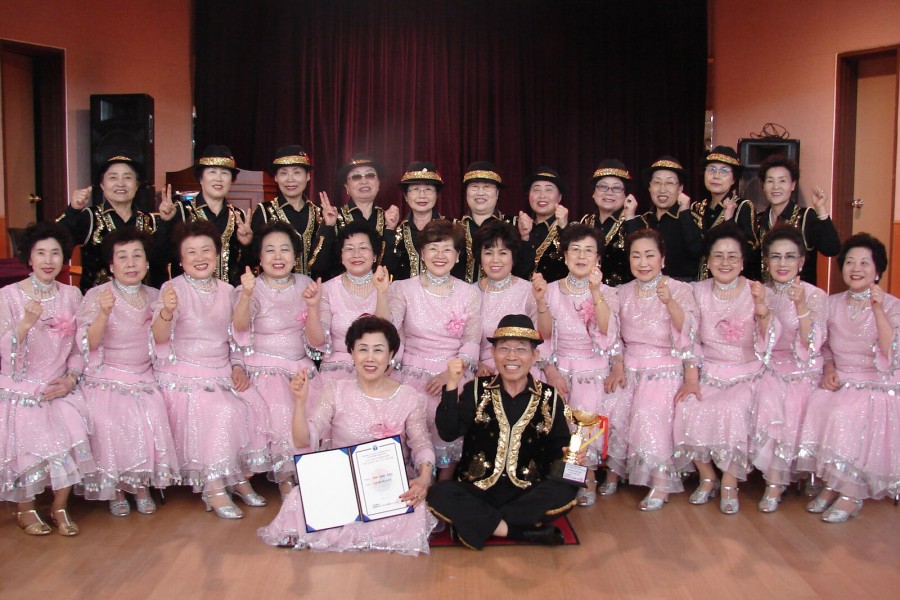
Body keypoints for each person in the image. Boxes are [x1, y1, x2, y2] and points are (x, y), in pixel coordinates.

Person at [259, 316, 437, 554]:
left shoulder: (409, 397)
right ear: (352, 353)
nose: (370, 358)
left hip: (385, 485)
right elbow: (303, 440)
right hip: (341, 482)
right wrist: (300, 403)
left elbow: (422, 444)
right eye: (362, 349)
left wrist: (424, 478)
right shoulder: (335, 391)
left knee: (413, 509)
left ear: (391, 354)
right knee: (301, 500)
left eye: (378, 350)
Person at [427, 314, 578, 549]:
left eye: (521, 349)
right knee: (438, 493)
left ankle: (478, 524)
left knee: (569, 484)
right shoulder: (476, 390)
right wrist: (451, 386)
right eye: (504, 348)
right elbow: (448, 433)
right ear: (493, 353)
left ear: (535, 355)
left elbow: (558, 449)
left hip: (526, 492)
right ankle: (523, 532)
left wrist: (573, 458)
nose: (511, 356)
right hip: (478, 490)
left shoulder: (550, 397)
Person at [151, 221, 270, 519]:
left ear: (217, 255)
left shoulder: (228, 290)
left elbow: (237, 336)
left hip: (221, 371)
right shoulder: (172, 289)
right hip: (183, 373)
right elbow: (159, 339)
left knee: (254, 404)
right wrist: (166, 311)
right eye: (191, 252)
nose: (200, 257)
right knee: (222, 411)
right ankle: (214, 486)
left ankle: (236, 477)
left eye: (206, 250)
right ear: (181, 259)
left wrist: (238, 365)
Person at [76, 227, 179, 516]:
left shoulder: (157, 295)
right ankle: (117, 487)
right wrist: (104, 313)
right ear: (111, 265)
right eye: (122, 257)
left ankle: (141, 484)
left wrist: (167, 311)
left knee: (150, 415)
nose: (131, 263)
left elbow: (162, 340)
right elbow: (89, 344)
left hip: (144, 375)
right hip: (105, 376)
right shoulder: (97, 295)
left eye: (137, 256)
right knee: (109, 420)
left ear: (147, 263)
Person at [798, 233, 900, 523]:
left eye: (864, 263)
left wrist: (877, 309)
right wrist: (829, 369)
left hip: (877, 381)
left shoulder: (892, 305)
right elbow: (823, 346)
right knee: (817, 402)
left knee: (845, 412)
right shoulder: (831, 303)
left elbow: (890, 353)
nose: (856, 268)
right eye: (850, 262)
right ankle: (834, 484)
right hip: (842, 378)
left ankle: (851, 494)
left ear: (877, 270)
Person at [0, 222, 93, 536]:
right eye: (41, 253)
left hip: (59, 385)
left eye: (55, 253)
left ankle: (59, 506)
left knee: (74, 425)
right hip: (20, 387)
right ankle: (25, 508)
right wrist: (24, 324)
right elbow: (4, 351)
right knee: (30, 431)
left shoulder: (72, 295)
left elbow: (80, 349)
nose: (48, 260)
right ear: (29, 258)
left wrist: (70, 379)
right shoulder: (8, 296)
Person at [532, 224, 627, 504]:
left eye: (588, 251)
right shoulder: (549, 290)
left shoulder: (608, 292)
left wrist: (595, 293)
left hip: (594, 368)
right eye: (575, 250)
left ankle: (588, 476)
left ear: (598, 258)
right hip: (556, 365)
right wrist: (551, 370)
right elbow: (543, 335)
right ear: (564, 255)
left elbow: (608, 332)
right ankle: (559, 476)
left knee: (586, 411)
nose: (581, 256)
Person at [673, 224, 763, 515]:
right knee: (686, 405)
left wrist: (763, 309)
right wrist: (691, 378)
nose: (725, 262)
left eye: (732, 256)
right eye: (718, 256)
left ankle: (729, 482)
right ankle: (707, 476)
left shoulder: (756, 291)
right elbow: (689, 338)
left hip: (747, 372)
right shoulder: (696, 291)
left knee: (733, 410)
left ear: (743, 262)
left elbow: (768, 339)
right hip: (708, 370)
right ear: (708, 261)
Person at [233, 222, 318, 500]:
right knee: (283, 407)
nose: (278, 256)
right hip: (264, 368)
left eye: (285, 249)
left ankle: (311, 473)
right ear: (260, 256)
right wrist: (246, 295)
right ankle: (285, 477)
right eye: (270, 250)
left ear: (295, 256)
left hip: (300, 366)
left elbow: (316, 336)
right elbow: (239, 328)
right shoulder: (251, 287)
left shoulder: (306, 284)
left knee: (319, 407)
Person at [390, 220, 481, 473]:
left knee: (447, 433)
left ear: (458, 255)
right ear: (422, 252)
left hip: (453, 374)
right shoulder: (402, 288)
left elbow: (472, 340)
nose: (440, 255)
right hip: (410, 373)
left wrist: (449, 376)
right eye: (433, 248)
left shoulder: (469, 293)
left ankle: (444, 485)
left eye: (447, 249)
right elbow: (392, 332)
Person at [617, 228, 699, 510]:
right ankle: (611, 473)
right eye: (636, 256)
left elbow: (688, 334)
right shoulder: (621, 292)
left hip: (664, 368)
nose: (643, 263)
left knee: (647, 411)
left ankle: (661, 481)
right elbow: (613, 338)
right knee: (609, 403)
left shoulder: (680, 289)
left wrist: (669, 302)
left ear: (662, 259)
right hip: (629, 367)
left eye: (649, 255)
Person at [750, 225, 827, 512]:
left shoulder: (815, 295)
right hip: (769, 365)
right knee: (764, 393)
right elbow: (760, 340)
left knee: (793, 398)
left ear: (801, 262)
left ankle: (791, 477)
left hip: (803, 368)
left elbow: (811, 344)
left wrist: (801, 305)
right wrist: (761, 304)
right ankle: (773, 480)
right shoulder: (760, 292)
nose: (782, 263)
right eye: (776, 256)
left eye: (790, 257)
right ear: (766, 261)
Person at [57, 154, 172, 290]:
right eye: (113, 177)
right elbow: (59, 244)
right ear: (102, 185)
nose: (120, 183)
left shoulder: (150, 221)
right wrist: (73, 210)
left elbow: (160, 263)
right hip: (99, 300)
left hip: (145, 300)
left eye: (127, 177)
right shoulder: (90, 217)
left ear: (136, 185)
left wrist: (166, 222)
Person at [304, 221, 392, 382]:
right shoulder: (327, 290)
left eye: (363, 248)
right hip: (336, 373)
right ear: (341, 256)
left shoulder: (389, 288)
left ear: (374, 255)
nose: (356, 254)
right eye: (349, 249)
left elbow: (387, 334)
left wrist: (381, 292)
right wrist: (312, 307)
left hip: (378, 370)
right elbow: (317, 342)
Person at [156, 145, 253, 286]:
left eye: (224, 173)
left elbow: (245, 265)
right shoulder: (181, 211)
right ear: (201, 178)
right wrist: (166, 222)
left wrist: (247, 244)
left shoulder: (239, 216)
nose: (218, 178)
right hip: (189, 294)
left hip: (229, 294)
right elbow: (160, 257)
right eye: (212, 172)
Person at [249, 145, 336, 279]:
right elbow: (252, 258)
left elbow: (327, 262)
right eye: (284, 173)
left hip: (315, 288)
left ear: (308, 176)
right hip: (276, 288)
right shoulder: (264, 211)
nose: (290, 179)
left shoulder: (321, 213)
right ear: (276, 177)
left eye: (297, 172)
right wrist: (246, 242)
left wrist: (328, 227)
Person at [754, 155, 840, 286]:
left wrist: (821, 209)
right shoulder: (758, 220)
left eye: (782, 181)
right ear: (763, 186)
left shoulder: (806, 216)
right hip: (765, 294)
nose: (776, 187)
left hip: (800, 294)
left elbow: (831, 249)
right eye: (770, 181)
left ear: (793, 185)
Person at [316, 153, 399, 278]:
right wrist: (329, 226)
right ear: (346, 186)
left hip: (379, 287)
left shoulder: (388, 219)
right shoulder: (334, 216)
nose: (364, 181)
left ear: (378, 183)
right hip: (340, 287)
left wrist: (390, 230)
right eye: (356, 177)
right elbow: (319, 265)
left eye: (370, 175)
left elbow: (393, 268)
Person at [472, 220, 538, 377]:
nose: (495, 260)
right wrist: (475, 364)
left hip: (522, 370)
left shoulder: (529, 291)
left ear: (513, 257)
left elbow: (541, 340)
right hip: (480, 372)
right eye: (488, 253)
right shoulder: (470, 293)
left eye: (502, 253)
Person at [624, 156, 703, 281]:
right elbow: (631, 255)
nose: (662, 189)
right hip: (645, 287)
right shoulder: (643, 220)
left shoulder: (691, 218)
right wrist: (629, 217)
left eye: (670, 183)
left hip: (682, 287)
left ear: (680, 188)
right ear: (649, 187)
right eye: (657, 182)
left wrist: (685, 213)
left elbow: (696, 251)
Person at [453, 161, 533, 283]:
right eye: (474, 186)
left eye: (487, 187)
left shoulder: (515, 225)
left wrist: (525, 237)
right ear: (466, 192)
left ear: (497, 193)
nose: (480, 193)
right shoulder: (454, 227)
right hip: (462, 294)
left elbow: (524, 270)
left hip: (505, 294)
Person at [692, 146, 758, 280]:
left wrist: (729, 222)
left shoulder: (742, 206)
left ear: (733, 179)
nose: (716, 176)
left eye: (724, 171)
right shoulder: (696, 207)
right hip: (698, 282)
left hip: (729, 281)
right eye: (711, 169)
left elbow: (750, 251)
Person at [580, 159, 636, 286]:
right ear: (593, 193)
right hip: (586, 292)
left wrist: (630, 219)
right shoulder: (585, 222)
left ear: (626, 195)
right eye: (603, 187)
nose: (609, 192)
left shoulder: (634, 222)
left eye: (616, 188)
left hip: (623, 293)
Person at [388, 161, 448, 280]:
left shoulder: (451, 228)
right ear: (406, 196)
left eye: (428, 189)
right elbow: (388, 267)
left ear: (436, 195)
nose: (422, 195)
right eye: (415, 189)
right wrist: (389, 230)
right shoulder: (397, 230)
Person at [521, 167, 568, 282]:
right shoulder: (519, 228)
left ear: (559, 197)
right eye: (536, 190)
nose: (542, 195)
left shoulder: (572, 229)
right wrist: (524, 237)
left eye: (549, 190)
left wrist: (564, 228)